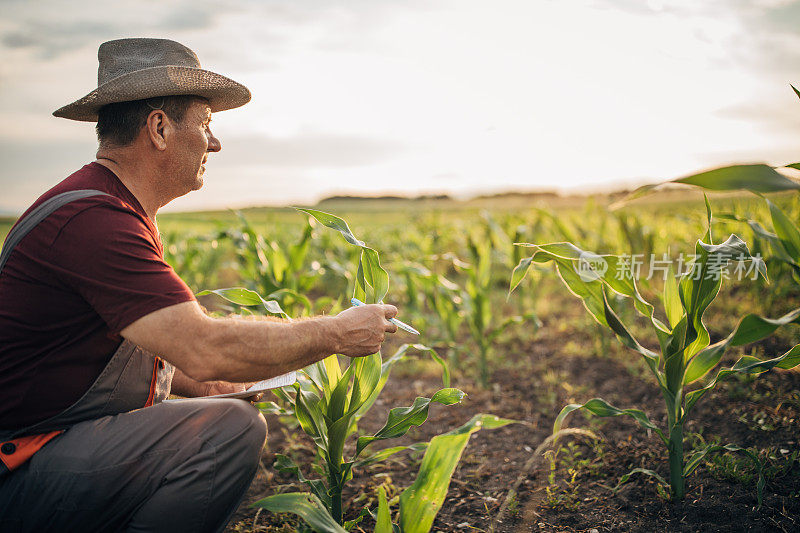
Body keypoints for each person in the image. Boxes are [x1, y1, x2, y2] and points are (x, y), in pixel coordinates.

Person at [0, 38, 397, 532]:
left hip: (49, 446)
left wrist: (208, 385)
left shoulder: (110, 207)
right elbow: (202, 345)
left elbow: (142, 349)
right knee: (226, 433)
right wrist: (337, 333)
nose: (215, 143)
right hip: (22, 466)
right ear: (160, 128)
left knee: (216, 407)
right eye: (206, 124)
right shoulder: (95, 220)